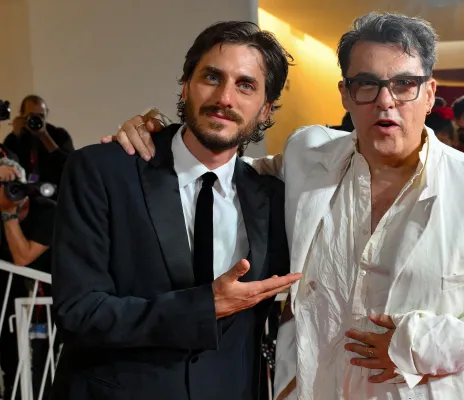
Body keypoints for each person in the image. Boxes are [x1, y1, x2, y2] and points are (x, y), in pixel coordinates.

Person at [108, 12, 464, 400]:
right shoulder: (308, 156)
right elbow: (225, 170)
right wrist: (161, 136)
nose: (385, 101)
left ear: (430, 93)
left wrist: (417, 345)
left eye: (404, 84)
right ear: (345, 94)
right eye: (367, 84)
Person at [51, 21, 301, 400]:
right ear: (185, 86)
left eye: (245, 85)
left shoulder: (275, 198)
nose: (225, 98)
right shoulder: (102, 171)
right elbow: (79, 313)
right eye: (212, 77)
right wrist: (203, 308)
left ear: (265, 110)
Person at [0, 157, 56, 399]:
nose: (8, 191)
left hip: (50, 300)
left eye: (13, 184)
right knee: (11, 360)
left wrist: (7, 213)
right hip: (12, 298)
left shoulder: (47, 210)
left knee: (44, 365)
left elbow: (23, 257)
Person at [5, 95, 74, 187]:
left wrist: (44, 136)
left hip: (55, 189)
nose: (36, 119)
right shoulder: (14, 138)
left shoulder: (59, 135)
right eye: (31, 116)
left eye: (41, 116)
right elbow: (7, 164)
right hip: (23, 189)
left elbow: (70, 166)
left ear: (47, 113)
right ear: (22, 115)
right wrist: (16, 135)